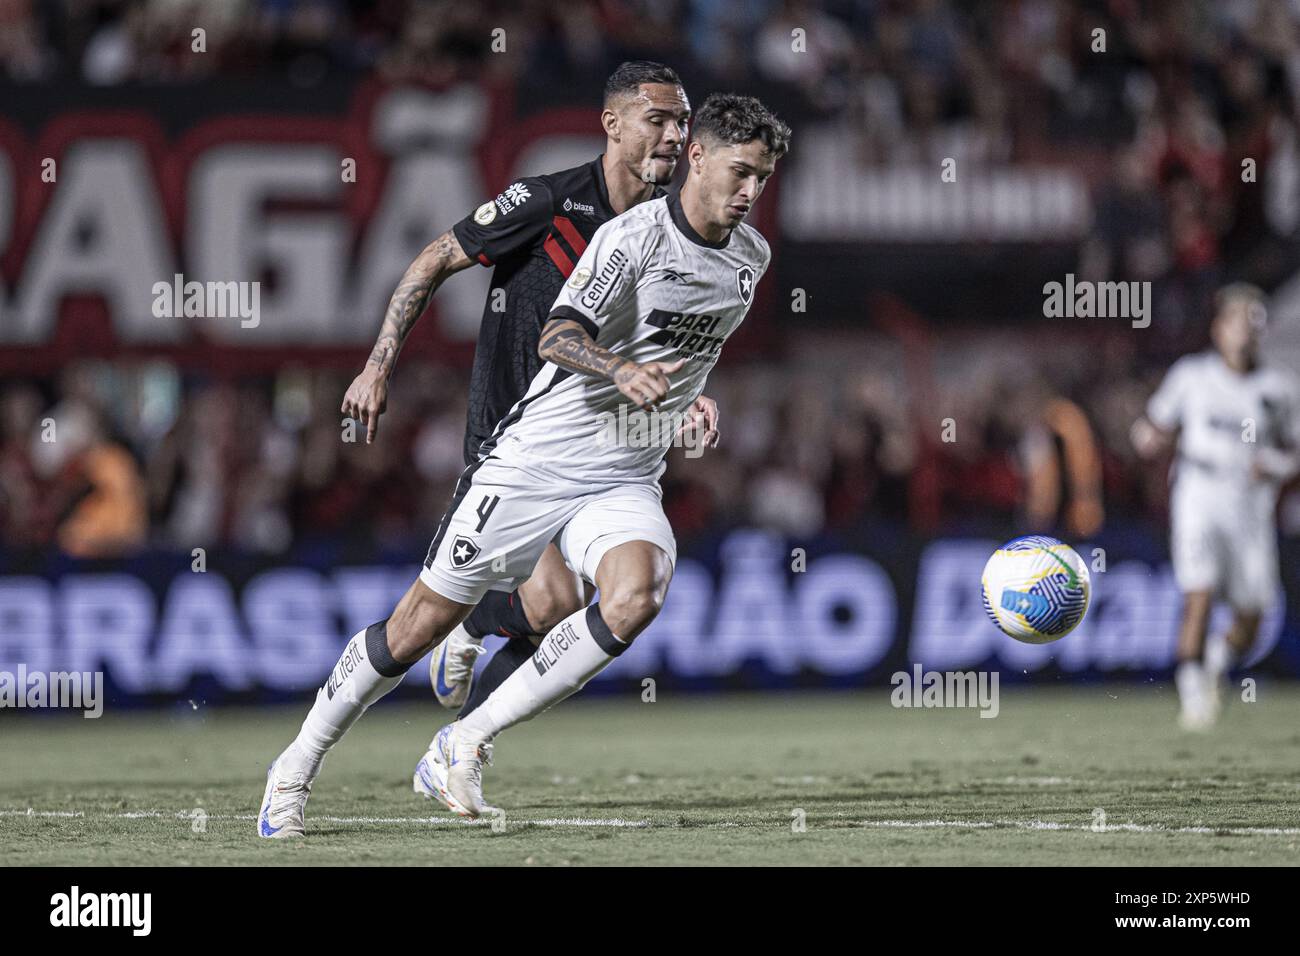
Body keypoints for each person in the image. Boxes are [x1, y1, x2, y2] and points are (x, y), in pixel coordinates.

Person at [259, 92, 789, 835]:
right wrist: (618, 371)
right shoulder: (629, 240)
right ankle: (295, 766)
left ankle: (462, 741)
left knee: (636, 593)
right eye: (740, 172)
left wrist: (687, 402)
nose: (749, 193)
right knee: (414, 627)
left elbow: (684, 350)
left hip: (624, 474)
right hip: (534, 460)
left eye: (762, 178)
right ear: (697, 157)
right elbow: (560, 337)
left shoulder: (751, 260)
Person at [337, 62, 716, 802]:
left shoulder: (673, 228)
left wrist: (690, 398)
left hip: (600, 449)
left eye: (683, 122)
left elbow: (668, 336)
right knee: (539, 606)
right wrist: (377, 365)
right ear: (613, 126)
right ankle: (465, 634)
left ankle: (460, 738)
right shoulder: (549, 201)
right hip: (513, 438)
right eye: (659, 120)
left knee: (567, 606)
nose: (675, 135)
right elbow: (435, 258)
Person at [1131, 284, 1300, 729]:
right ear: (1218, 328)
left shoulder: (1278, 388)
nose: (1245, 331)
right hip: (1198, 492)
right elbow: (1155, 425)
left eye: (1253, 321)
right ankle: (1192, 699)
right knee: (1198, 591)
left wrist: (1275, 466)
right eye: (1238, 320)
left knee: (1253, 614)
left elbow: (1294, 451)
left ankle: (1214, 662)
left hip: (1250, 505)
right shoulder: (1191, 376)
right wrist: (1147, 437)